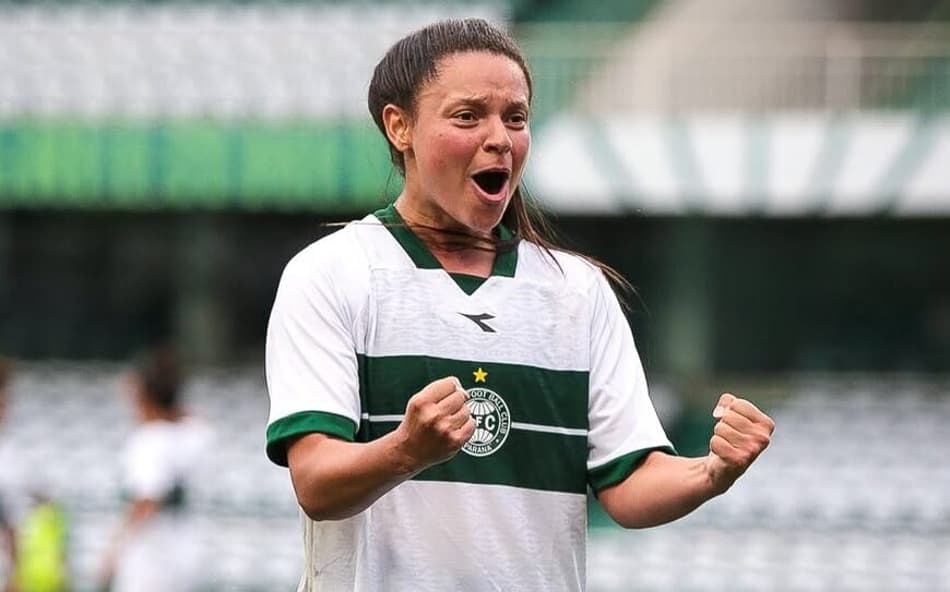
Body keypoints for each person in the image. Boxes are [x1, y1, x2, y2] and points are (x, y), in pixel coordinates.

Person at [264, 18, 775, 591]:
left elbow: (630, 484)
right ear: (399, 126)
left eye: (516, 117)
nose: (500, 138)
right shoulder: (332, 274)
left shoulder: (577, 291)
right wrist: (406, 449)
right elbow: (317, 483)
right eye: (468, 116)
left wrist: (711, 472)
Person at [98, 348, 212, 592]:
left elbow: (147, 500)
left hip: (151, 559)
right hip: (187, 547)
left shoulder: (148, 442)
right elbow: (189, 417)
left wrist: (113, 552)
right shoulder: (195, 433)